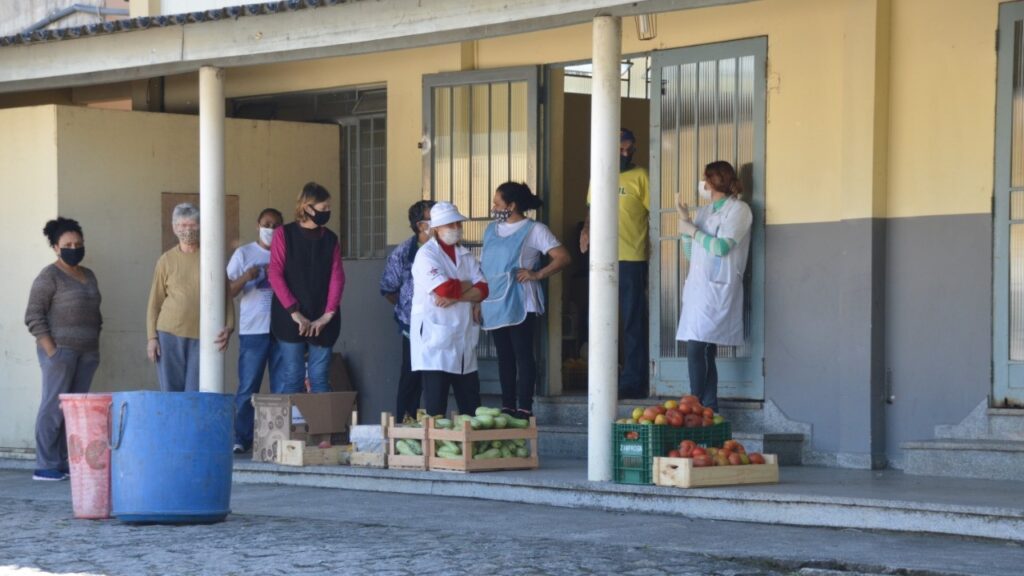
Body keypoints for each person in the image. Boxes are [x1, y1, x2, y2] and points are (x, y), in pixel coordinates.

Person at [481, 182, 570, 418]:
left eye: (497, 203)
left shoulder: (535, 229)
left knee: (522, 354)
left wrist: (537, 274)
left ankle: (524, 406)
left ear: (512, 205)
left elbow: (562, 257)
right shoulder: (490, 230)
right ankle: (507, 405)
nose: (493, 207)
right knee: (504, 357)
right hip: (494, 300)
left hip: (521, 300)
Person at [24, 217, 102, 481]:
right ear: (56, 247)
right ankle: (45, 464)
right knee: (53, 407)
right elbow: (34, 315)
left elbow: (96, 312)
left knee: (75, 411)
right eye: (67, 244)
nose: (73, 248)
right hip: (60, 352)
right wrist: (52, 351)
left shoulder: (88, 275)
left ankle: (63, 462)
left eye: (78, 243)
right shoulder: (49, 276)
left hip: (87, 353)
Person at [675, 160, 753, 411]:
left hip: (719, 288)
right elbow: (692, 254)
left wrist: (694, 232)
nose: (703, 185)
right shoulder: (705, 212)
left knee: (698, 347)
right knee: (703, 348)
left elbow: (722, 248)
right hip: (699, 288)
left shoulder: (739, 210)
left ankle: (694, 403)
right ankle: (709, 408)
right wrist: (686, 226)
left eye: (704, 180)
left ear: (711, 182)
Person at [580, 128, 651, 399]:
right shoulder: (598, 175)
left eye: (629, 149)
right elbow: (590, 208)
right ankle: (604, 376)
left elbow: (653, 214)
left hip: (632, 257)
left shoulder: (641, 176)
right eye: (621, 149)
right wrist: (586, 231)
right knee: (600, 320)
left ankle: (633, 380)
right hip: (602, 259)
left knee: (632, 321)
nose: (626, 154)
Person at [410, 202, 488, 417]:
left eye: (457, 223)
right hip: (435, 345)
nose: (456, 227)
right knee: (436, 410)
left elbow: (484, 289)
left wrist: (454, 297)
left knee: (472, 408)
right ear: (436, 228)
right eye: (449, 224)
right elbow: (444, 288)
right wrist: (466, 285)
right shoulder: (426, 255)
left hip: (463, 341)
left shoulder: (465, 254)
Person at [146, 203, 234, 392]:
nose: (187, 230)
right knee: (171, 392)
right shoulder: (166, 260)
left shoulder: (213, 257)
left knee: (196, 391)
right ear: (174, 228)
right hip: (168, 334)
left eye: (192, 225)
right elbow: (155, 302)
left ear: (201, 226)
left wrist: (229, 326)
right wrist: (152, 337)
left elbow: (226, 295)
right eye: (182, 226)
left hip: (204, 335)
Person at [268, 182, 345, 394]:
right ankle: (290, 427)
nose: (327, 213)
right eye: (323, 209)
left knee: (319, 377)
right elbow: (275, 273)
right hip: (289, 316)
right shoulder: (284, 234)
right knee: (293, 377)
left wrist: (327, 315)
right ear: (307, 208)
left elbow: (337, 277)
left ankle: (320, 427)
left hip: (323, 316)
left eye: (329, 208)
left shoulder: (330, 239)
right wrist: (294, 311)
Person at [227, 207, 284, 454]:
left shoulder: (285, 253)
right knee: (248, 387)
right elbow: (227, 290)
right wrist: (246, 277)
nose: (270, 229)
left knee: (282, 387)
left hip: (283, 330)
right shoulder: (244, 254)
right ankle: (241, 437)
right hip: (253, 331)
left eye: (275, 226)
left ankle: (276, 438)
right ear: (258, 224)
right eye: (266, 224)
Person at [380, 200, 435, 420]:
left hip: (444, 323)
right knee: (411, 375)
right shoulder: (403, 252)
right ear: (421, 225)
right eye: (434, 217)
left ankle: (434, 423)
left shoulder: (450, 248)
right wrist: (409, 308)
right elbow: (388, 289)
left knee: (436, 375)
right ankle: (405, 421)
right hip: (412, 324)